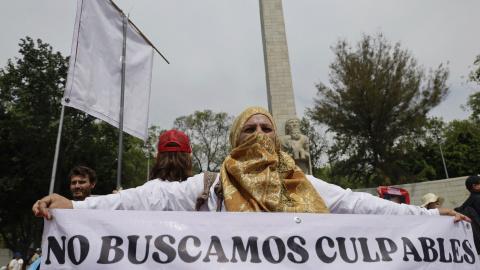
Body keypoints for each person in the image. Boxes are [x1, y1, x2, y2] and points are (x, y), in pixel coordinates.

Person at [33, 107, 469, 222]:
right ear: (234, 139)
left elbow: (363, 205)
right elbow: (151, 197)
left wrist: (425, 216)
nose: (260, 134)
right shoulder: (211, 183)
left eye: (267, 127)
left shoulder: (303, 183)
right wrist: (79, 209)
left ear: (278, 138)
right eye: (249, 128)